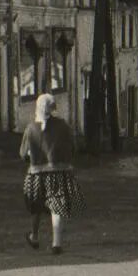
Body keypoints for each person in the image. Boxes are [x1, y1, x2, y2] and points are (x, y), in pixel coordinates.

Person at [21, 93, 84, 255]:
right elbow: (73, 147)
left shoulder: (30, 128)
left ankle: (34, 236)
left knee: (36, 207)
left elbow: (23, 154)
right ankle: (56, 242)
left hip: (36, 175)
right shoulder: (63, 126)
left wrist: (33, 157)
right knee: (57, 205)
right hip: (59, 172)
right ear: (53, 108)